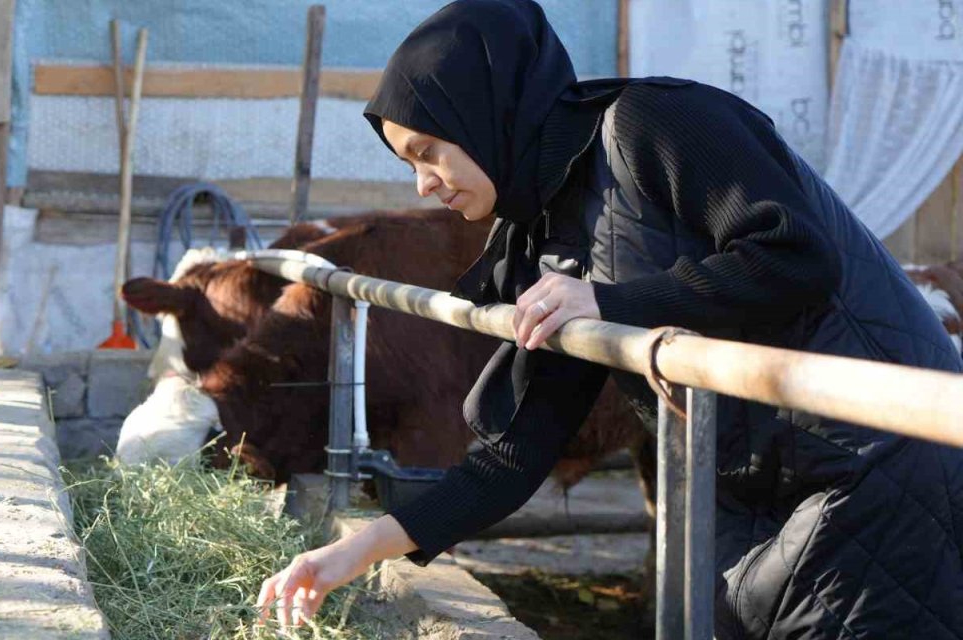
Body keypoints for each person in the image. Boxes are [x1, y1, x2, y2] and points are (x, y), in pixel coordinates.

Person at [256, 2, 963, 637]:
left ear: (484, 112)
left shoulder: (654, 122)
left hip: (877, 466)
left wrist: (613, 304)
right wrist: (355, 550)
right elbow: (516, 453)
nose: (423, 182)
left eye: (428, 151)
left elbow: (797, 254)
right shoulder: (553, 230)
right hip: (757, 494)